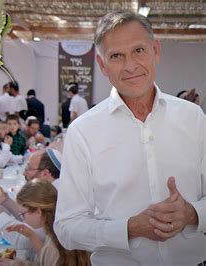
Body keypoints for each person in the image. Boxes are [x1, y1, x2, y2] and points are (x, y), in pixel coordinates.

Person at [54, 10, 205, 265]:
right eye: (116, 56)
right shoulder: (83, 132)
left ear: (155, 51)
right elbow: (67, 227)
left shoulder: (194, 118)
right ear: (102, 65)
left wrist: (192, 214)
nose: (130, 66)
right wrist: (130, 228)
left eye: (138, 51)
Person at [0, 180, 90, 266]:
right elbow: (45, 259)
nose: (22, 218)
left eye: (23, 214)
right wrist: (31, 235)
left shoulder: (53, 246)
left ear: (38, 212)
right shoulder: (58, 228)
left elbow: (47, 258)